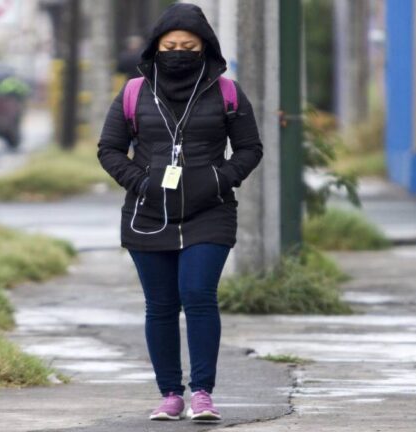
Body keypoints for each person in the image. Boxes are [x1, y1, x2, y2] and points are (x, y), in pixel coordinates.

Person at [97, 3, 263, 423]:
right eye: (170, 45)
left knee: (198, 295)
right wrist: (142, 183)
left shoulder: (226, 91)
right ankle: (170, 394)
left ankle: (203, 393)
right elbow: (109, 149)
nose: (178, 52)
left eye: (188, 46)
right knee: (161, 305)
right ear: (156, 46)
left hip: (210, 211)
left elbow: (249, 149)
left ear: (204, 47)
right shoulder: (134, 91)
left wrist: (220, 179)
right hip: (148, 212)